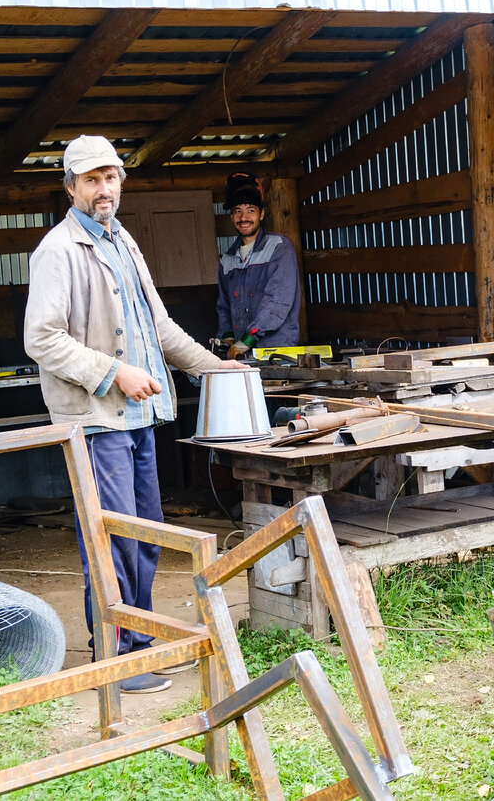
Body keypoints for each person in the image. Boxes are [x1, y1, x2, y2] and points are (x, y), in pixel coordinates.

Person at [24, 135, 245, 693]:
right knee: (111, 537)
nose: (104, 189)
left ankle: (140, 641)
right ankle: (115, 654)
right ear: (71, 186)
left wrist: (216, 369)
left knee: (145, 534)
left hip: (139, 418)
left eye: (112, 177)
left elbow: (160, 328)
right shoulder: (58, 250)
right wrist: (112, 372)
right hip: (97, 419)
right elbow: (42, 339)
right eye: (92, 179)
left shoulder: (124, 242)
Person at [216, 171, 301, 358]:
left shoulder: (279, 247)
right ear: (231, 217)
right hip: (242, 355)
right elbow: (224, 306)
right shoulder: (228, 259)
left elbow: (277, 302)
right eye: (237, 211)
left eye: (250, 210)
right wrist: (228, 338)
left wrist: (247, 339)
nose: (243, 217)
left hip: (277, 353)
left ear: (261, 214)